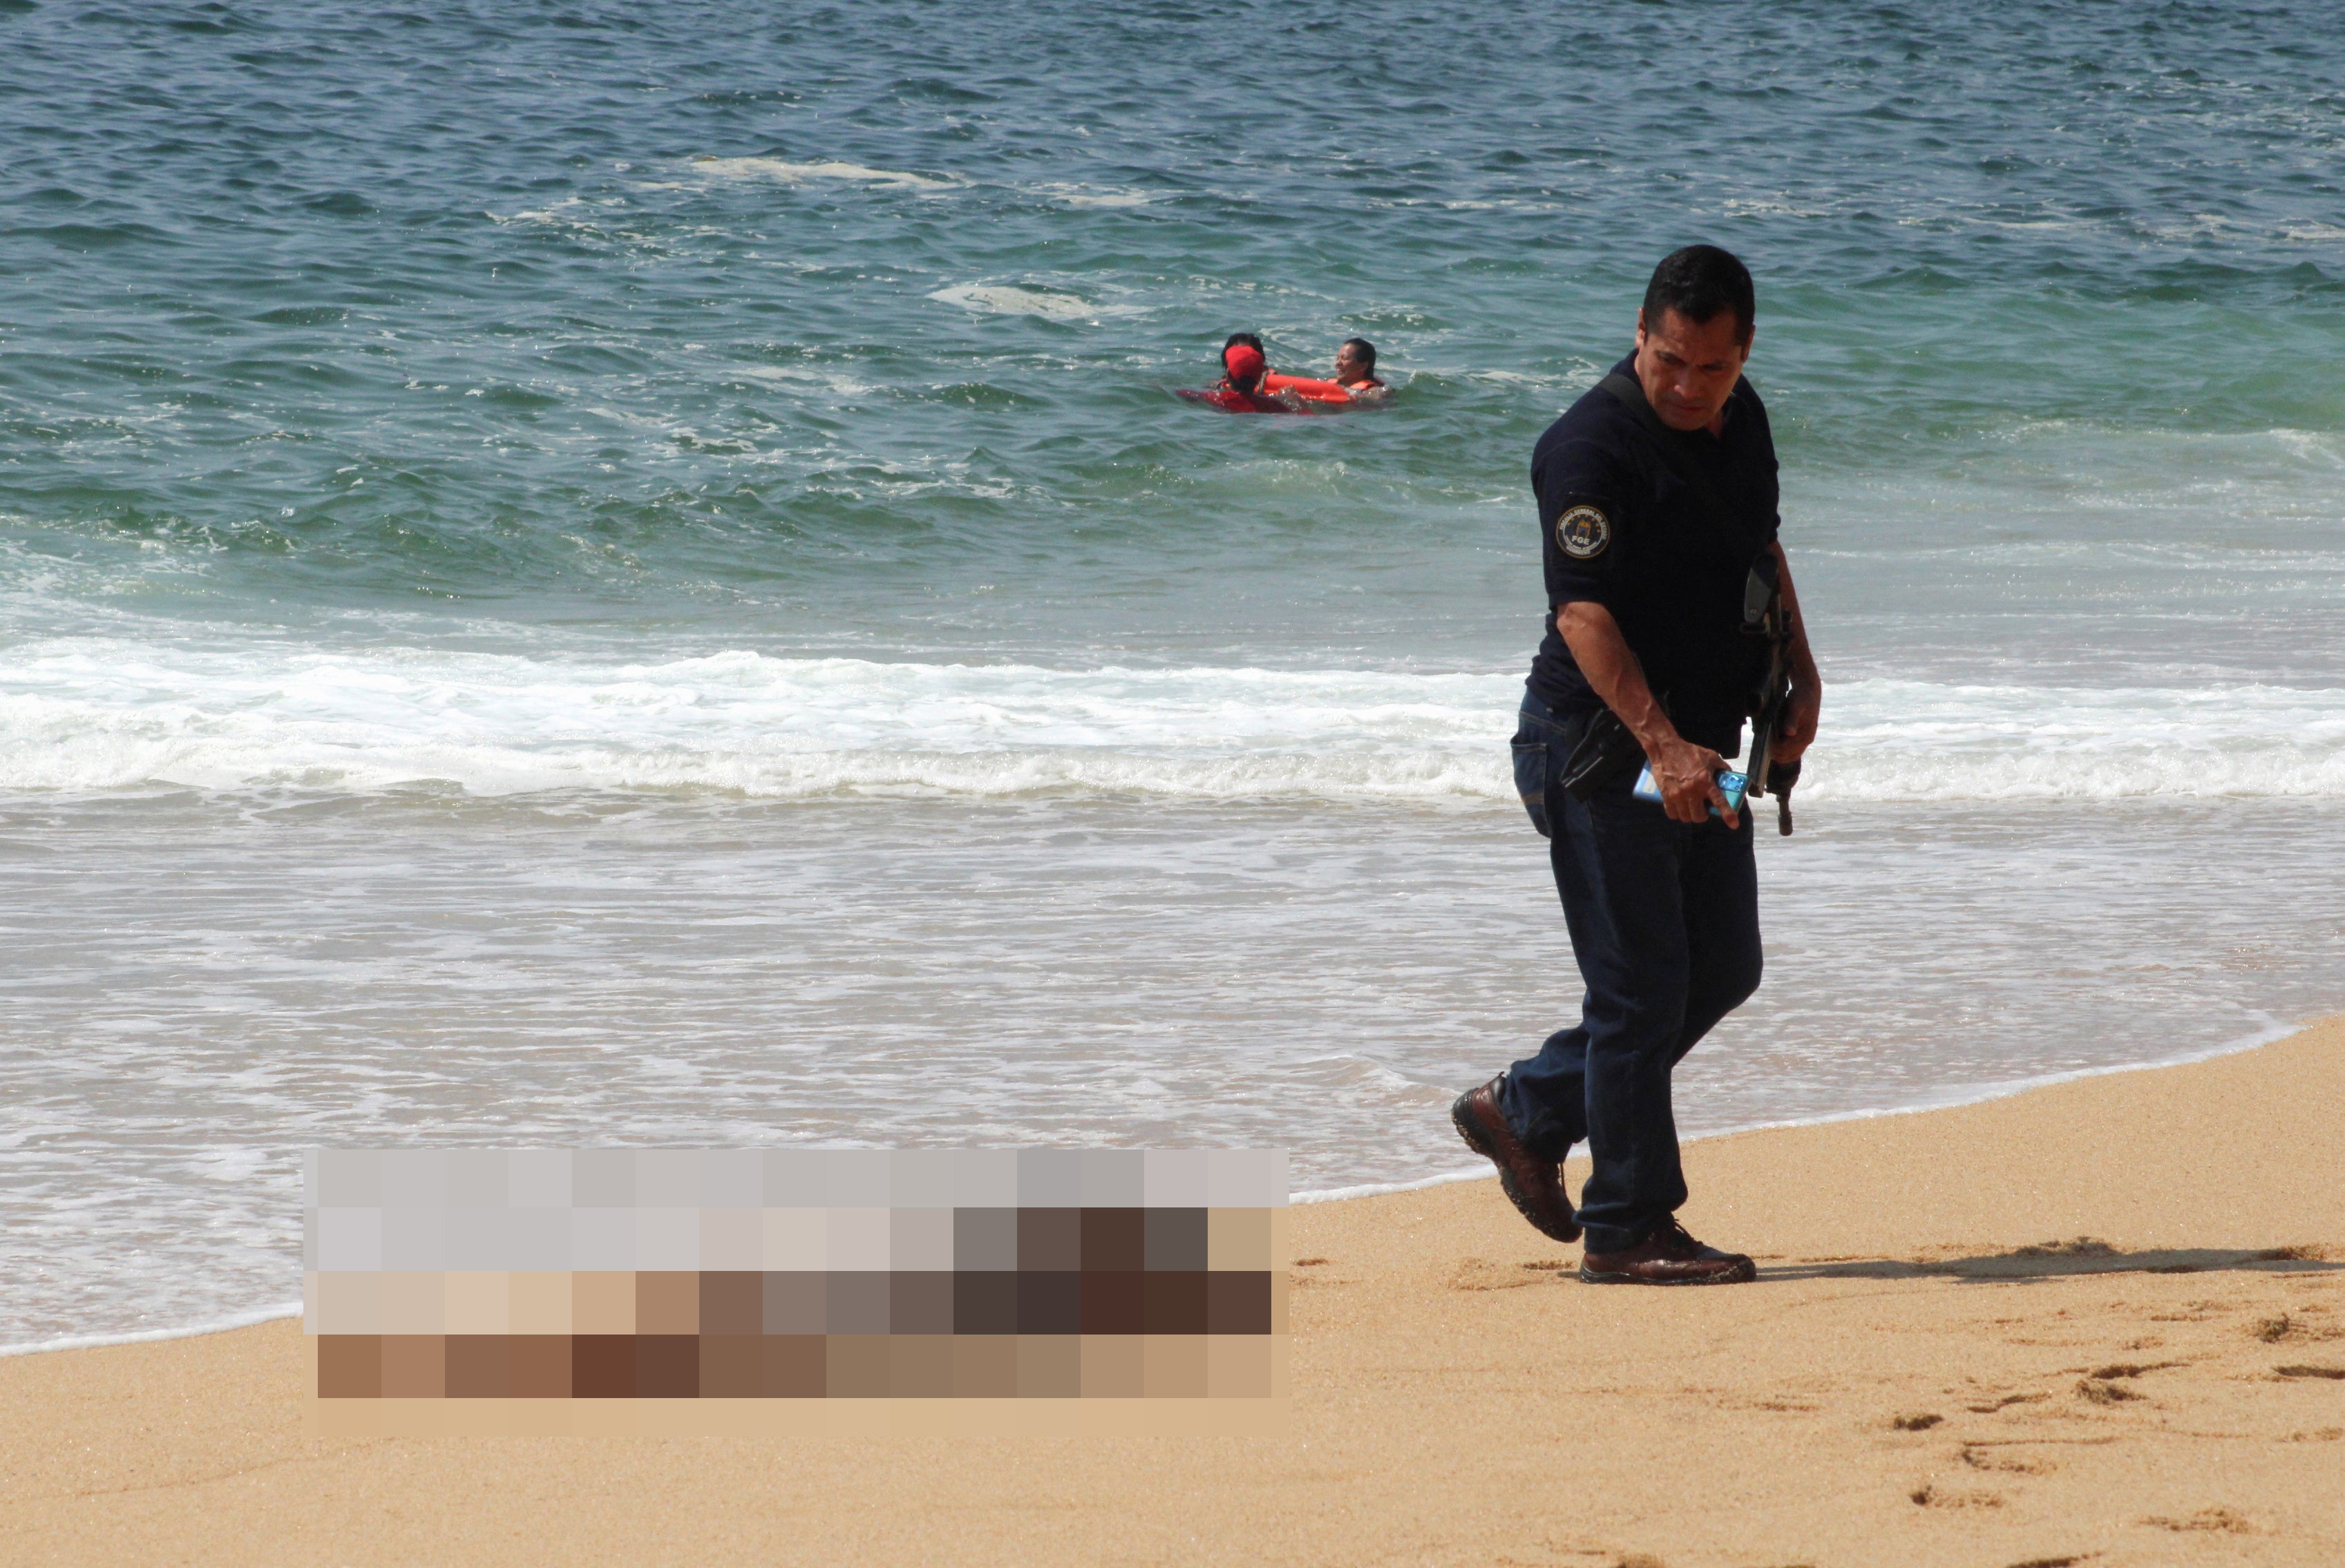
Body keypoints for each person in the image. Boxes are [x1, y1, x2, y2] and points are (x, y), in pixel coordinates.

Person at [1450, 245, 1821, 1286]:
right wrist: (1663, 746)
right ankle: (1625, 1226)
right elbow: (1582, 612)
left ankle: (1523, 1108)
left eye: (1711, 368)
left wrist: (1802, 678)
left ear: (1743, 355)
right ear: (1638, 335)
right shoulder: (1585, 448)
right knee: (1639, 986)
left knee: (1723, 966)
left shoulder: (1741, 422)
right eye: (1669, 361)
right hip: (1598, 746)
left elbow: (1764, 550)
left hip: (1709, 743)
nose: (1687, 386)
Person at [1176, 334, 1293, 413]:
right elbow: (1304, 416)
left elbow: (1182, 394)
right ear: (1260, 375)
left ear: (1228, 372)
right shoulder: (1273, 404)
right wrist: (1294, 400)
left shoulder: (1215, 397)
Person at [1262, 337, 1388, 407]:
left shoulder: (1374, 392)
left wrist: (1298, 402)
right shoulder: (1331, 384)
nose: (1337, 363)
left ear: (1363, 366)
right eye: (1338, 358)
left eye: (1344, 359)